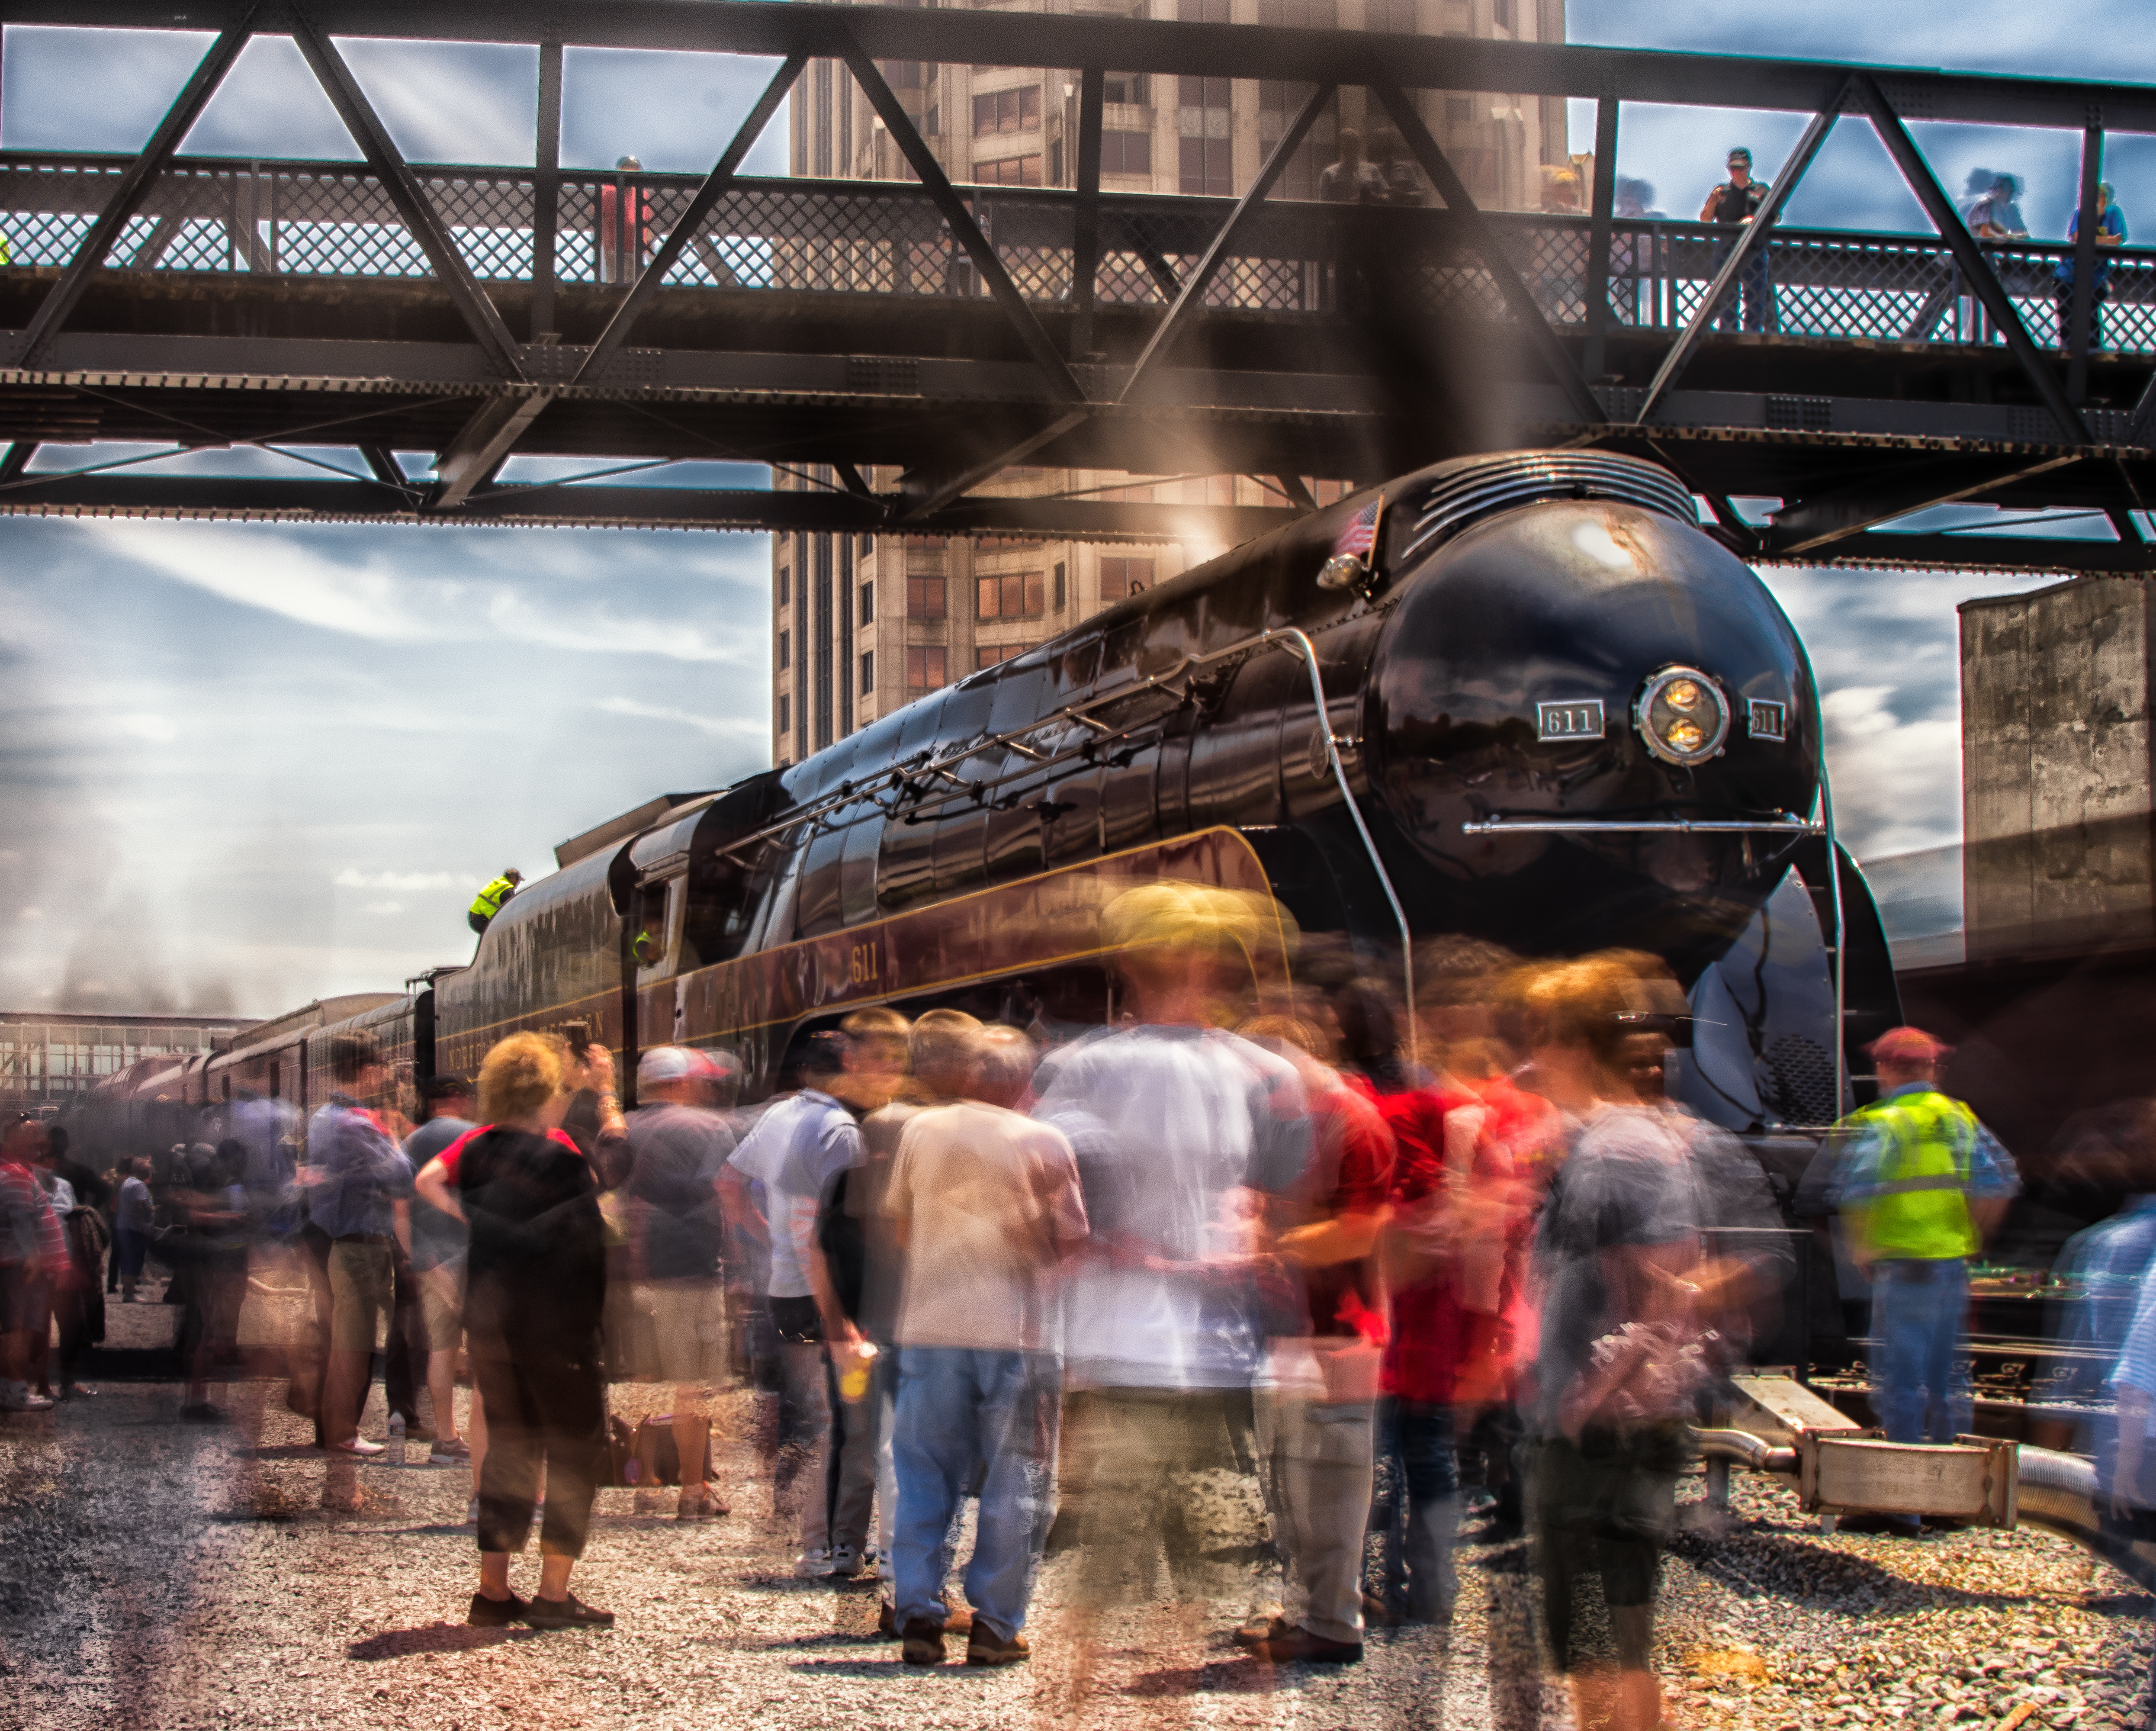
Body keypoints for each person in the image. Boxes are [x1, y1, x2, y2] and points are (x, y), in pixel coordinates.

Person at [1031, 883, 1311, 1683]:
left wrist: (1109, 1245)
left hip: (1119, 1343)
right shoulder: (1266, 1070)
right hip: (1218, 1344)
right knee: (1211, 1572)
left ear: (1125, 964)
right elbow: (1285, 1191)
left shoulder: (1075, 1067)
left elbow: (1045, 1183)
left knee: (1102, 1581)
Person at [1523, 955, 1782, 1731]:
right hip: (1634, 1421)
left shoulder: (1617, 1152)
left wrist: (1586, 1399)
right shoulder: (1650, 1140)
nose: (1530, 1054)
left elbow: (1662, 1285)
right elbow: (1764, 1258)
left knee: (1600, 1640)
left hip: (1606, 1430)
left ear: (1572, 1045)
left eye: (1540, 1035)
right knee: (1617, 1632)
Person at [884, 1023, 1089, 1668]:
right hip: (1018, 1337)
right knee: (1017, 1482)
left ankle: (918, 1610)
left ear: (970, 1076)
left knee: (924, 1475)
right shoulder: (1044, 1140)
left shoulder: (920, 1131)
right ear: (1024, 1082)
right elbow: (1071, 1242)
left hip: (929, 1327)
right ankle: (996, 1627)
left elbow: (899, 1229)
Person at [414, 1033, 615, 1630]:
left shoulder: (475, 1148)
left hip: (494, 1322)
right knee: (575, 1451)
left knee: (508, 1449)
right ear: (548, 1091)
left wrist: (476, 1219)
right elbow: (604, 1203)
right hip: (560, 1325)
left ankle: (492, 1592)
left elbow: (427, 1181)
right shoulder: (563, 1155)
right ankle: (553, 1595)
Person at [1233, 1014, 1396, 1664]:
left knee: (1327, 1482)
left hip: (1339, 1330)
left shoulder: (1348, 1122)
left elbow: (1359, 1231)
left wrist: (1272, 1245)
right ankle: (1317, 1609)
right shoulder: (1306, 1117)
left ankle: (1332, 1622)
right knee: (1296, 1481)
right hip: (1303, 1329)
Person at [1829, 1027, 2019, 1496]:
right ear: (1933, 1068)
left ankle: (1907, 1503)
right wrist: (1972, 1237)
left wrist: (1862, 1247)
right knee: (1948, 1379)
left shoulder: (1883, 1120)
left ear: (1886, 1068)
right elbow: (2000, 1181)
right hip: (1949, 1267)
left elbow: (1859, 1190)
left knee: (1901, 1381)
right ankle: (1957, 1496)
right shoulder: (1958, 1118)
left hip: (1902, 1268)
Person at [725, 1028, 867, 1577]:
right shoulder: (842, 1132)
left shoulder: (779, 1116)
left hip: (785, 1290)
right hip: (821, 1289)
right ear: (849, 1066)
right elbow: (833, 1227)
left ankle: (804, 1531)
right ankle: (821, 1543)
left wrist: (768, 1239)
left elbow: (727, 1184)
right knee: (838, 1415)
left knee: (811, 1407)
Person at [625, 1045, 738, 1522]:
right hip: (690, 1271)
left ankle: (643, 1479)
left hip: (631, 1274)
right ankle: (692, 1488)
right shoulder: (709, 1127)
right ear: (682, 1083)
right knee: (692, 1387)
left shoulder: (622, 1130)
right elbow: (730, 1191)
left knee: (641, 1381)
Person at [305, 1033, 415, 1458]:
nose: (386, 1076)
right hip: (360, 1245)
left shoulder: (322, 1116)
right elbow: (403, 1175)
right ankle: (342, 1432)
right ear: (367, 1071)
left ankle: (340, 1431)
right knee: (353, 1346)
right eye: (383, 1068)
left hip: (342, 1241)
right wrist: (391, 1132)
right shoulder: (355, 1122)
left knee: (348, 1342)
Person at [405, 1075, 483, 1481]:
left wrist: (418, 1255)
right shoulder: (474, 1136)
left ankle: (446, 1437)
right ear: (458, 1099)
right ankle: (491, 1439)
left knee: (443, 1347)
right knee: (489, 1344)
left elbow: (399, 1205)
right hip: (473, 1252)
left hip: (430, 1257)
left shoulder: (410, 1142)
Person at [0, 1115, 65, 1412]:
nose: (38, 1142)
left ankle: (11, 1387)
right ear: (9, 1141)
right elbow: (21, 1220)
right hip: (20, 1265)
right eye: (30, 1136)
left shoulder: (19, 1172)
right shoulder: (14, 1174)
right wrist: (34, 1256)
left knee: (20, 1327)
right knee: (18, 1329)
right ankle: (16, 1390)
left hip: (18, 1263)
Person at [1698, 146, 1772, 333]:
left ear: (1749, 166)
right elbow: (1706, 219)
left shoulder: (1761, 190)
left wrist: (1755, 220)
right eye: (1733, 167)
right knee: (1726, 293)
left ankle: (1753, 332)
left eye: (1740, 167)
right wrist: (1713, 202)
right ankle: (1728, 330)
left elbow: (1776, 217)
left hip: (1754, 249)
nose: (1737, 171)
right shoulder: (1721, 192)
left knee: (1755, 294)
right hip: (1726, 248)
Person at [2055, 182, 2127, 351]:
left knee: (2091, 314)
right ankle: (2068, 350)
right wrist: (2104, 240)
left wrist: (2093, 238)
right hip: (2068, 273)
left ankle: (2092, 350)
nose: (2098, 199)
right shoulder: (2081, 213)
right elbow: (2076, 237)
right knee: (2066, 313)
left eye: (2102, 195)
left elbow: (2118, 239)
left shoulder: (2112, 213)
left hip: (2095, 277)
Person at [599, 155, 652, 284]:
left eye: (635, 169)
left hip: (636, 248)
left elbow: (647, 223)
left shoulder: (643, 194)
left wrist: (649, 250)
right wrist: (607, 248)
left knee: (633, 283)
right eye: (627, 168)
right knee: (614, 283)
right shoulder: (609, 191)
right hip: (614, 247)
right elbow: (603, 221)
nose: (631, 172)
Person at [114, 1158, 153, 1303]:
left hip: (124, 1225)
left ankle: (129, 1291)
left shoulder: (128, 1182)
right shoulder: (139, 1186)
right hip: (134, 1228)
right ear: (143, 1171)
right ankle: (129, 1294)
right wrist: (152, 1211)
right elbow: (139, 1207)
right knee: (134, 1258)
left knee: (128, 1258)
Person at [1318, 129, 1377, 204]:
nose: (1349, 149)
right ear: (1340, 148)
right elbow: (1324, 205)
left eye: (1352, 145)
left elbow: (1387, 196)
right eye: (1345, 146)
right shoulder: (1329, 174)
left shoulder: (1372, 170)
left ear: (1358, 147)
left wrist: (1376, 197)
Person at [1965, 171, 2028, 239]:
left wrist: (2015, 236)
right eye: (2007, 189)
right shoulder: (1984, 206)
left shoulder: (2012, 209)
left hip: (2003, 247)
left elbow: (2023, 232)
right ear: (1998, 189)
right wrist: (2003, 236)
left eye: (2012, 190)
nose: (2010, 193)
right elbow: (1978, 230)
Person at [467, 869, 523, 940]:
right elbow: (511, 910)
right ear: (513, 879)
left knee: (491, 937)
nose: (518, 884)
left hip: (474, 916)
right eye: (518, 881)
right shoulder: (508, 890)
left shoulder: (499, 882)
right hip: (482, 918)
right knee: (502, 936)